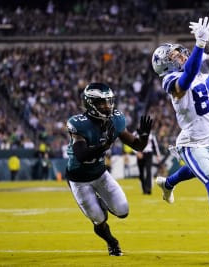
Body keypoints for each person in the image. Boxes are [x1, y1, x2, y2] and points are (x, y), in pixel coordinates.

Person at [151, 17, 209, 255]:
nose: (179, 55)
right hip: (192, 144)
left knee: (195, 170)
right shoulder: (170, 81)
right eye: (173, 56)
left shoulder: (199, 62)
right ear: (166, 65)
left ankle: (167, 183)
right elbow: (187, 79)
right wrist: (199, 45)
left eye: (178, 52)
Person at [65, 82, 153, 256]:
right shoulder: (78, 123)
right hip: (79, 179)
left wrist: (144, 137)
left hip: (100, 174)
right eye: (101, 103)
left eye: (108, 101)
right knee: (98, 219)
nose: (107, 106)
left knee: (123, 210)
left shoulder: (116, 119)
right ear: (90, 103)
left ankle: (102, 200)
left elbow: (137, 146)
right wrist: (105, 143)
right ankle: (112, 242)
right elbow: (82, 155)